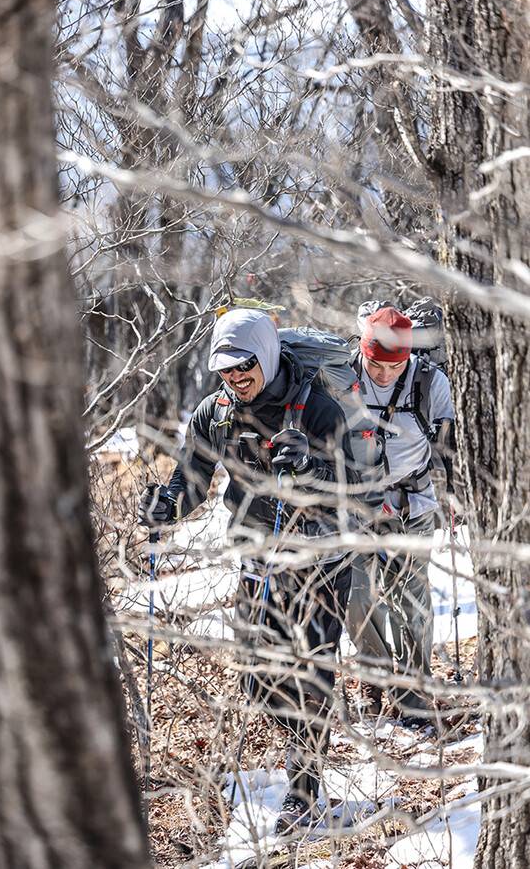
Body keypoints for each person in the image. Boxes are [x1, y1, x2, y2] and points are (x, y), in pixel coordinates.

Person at [138, 308, 361, 833]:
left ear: (263, 356)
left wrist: (310, 466)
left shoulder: (318, 409)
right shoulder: (214, 414)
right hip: (258, 553)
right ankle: (299, 738)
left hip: (320, 557)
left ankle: (303, 792)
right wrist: (166, 506)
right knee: (259, 675)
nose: (235, 378)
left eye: (244, 367)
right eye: (225, 369)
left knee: (311, 672)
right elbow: (191, 478)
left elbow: (355, 485)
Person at [346, 306, 455, 727]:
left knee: (410, 595)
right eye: (375, 364)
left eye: (394, 366)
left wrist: (452, 492)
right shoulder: (343, 377)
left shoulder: (430, 382)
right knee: (357, 595)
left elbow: (447, 444)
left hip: (413, 502)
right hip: (357, 503)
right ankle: (375, 679)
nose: (384, 374)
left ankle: (413, 691)